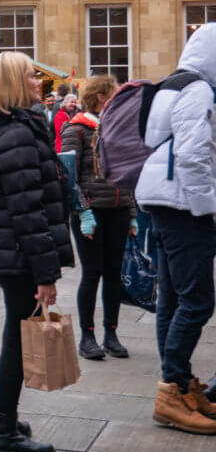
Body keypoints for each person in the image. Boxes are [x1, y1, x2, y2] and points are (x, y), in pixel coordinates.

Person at [0, 51, 73, 452]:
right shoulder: (15, 134)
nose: (39, 83)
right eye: (30, 77)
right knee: (20, 341)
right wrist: (46, 274)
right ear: (11, 84)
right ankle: (3, 432)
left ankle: (1, 418)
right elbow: (27, 209)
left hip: (5, 244)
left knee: (15, 335)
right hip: (19, 249)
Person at [136, 22, 216, 434]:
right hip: (184, 205)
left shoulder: (174, 83)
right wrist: (208, 209)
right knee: (198, 301)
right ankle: (172, 392)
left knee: (173, 299)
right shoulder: (199, 89)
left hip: (164, 201)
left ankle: (179, 385)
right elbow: (192, 154)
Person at [59, 75, 136, 362]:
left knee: (114, 274)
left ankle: (111, 334)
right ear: (102, 97)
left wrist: (131, 214)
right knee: (92, 273)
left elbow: (127, 173)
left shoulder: (116, 127)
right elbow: (68, 176)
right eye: (114, 94)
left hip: (116, 209)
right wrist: (82, 211)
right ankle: (88, 336)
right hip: (90, 212)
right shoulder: (76, 129)